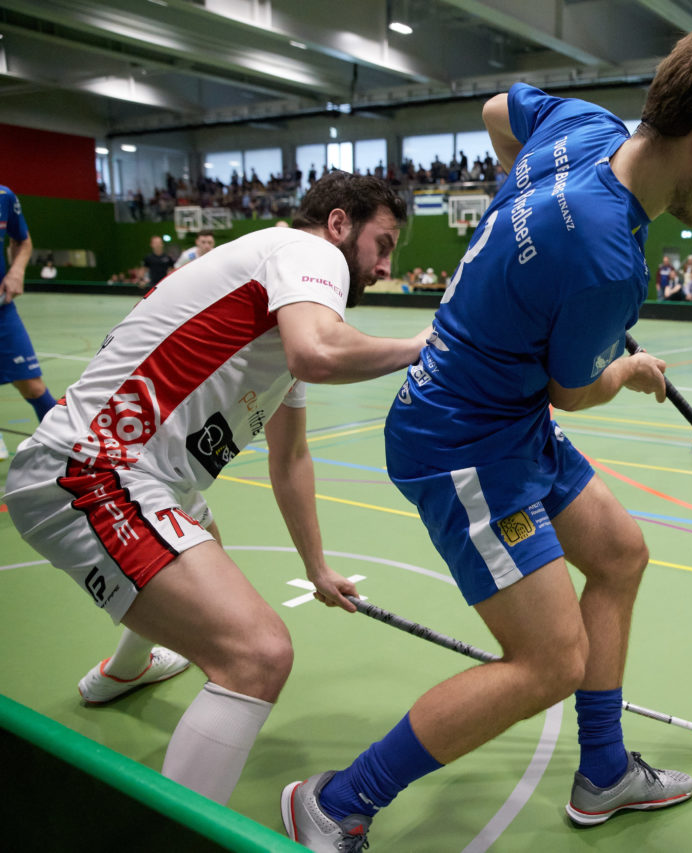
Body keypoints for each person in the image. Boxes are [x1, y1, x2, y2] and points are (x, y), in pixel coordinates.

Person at [279, 31, 692, 851]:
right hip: (462, 446)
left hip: (507, 419)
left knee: (621, 553)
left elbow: (496, 111)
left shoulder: (584, 128)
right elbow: (574, 390)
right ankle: (337, 800)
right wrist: (626, 373)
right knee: (549, 660)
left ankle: (603, 771)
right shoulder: (608, 260)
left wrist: (517, 221)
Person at [4, 171, 431, 806]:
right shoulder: (307, 254)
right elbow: (316, 354)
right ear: (339, 224)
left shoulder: (286, 308)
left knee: (199, 526)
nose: (384, 264)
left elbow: (291, 459)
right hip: (93, 469)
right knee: (258, 654)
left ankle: (122, 672)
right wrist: (425, 346)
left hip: (133, 472)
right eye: (384, 243)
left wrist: (316, 568)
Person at [1, 185, 59, 462]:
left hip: (2, 309)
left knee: (32, 384)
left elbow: (22, 240)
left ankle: (65, 448)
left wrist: (16, 270)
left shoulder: (4, 197)